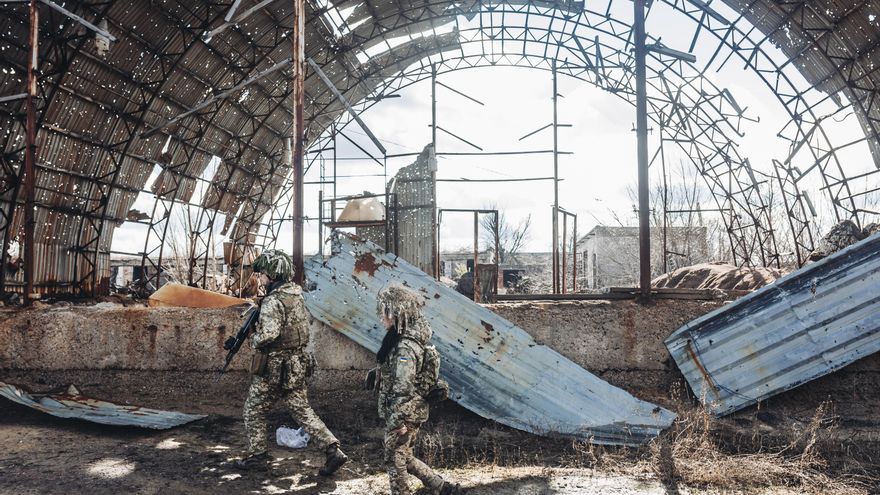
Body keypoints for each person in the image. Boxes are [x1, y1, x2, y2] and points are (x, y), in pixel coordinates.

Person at [234, 249, 348, 475]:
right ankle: (333, 450)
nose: (261, 278)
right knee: (302, 410)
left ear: (272, 275)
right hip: (296, 364)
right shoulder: (296, 294)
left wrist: (252, 339)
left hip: (274, 367)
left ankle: (258, 456)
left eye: (263, 274)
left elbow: (269, 334)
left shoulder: (273, 301)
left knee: (253, 410)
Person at [375, 284, 461, 495]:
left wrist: (399, 422)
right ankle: (441, 487)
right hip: (410, 410)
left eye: (384, 312)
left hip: (406, 413)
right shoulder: (400, 339)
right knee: (405, 456)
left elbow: (403, 386)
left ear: (396, 314)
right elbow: (398, 372)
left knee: (394, 458)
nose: (381, 318)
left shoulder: (405, 345)